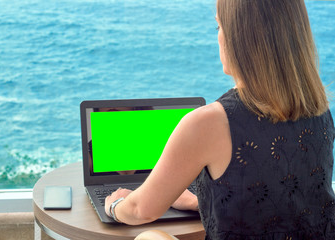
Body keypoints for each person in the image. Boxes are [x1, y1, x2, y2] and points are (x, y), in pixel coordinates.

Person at [105, 0, 335, 238]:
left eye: (219, 27)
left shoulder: (209, 123)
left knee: (148, 237)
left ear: (240, 38)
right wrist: (199, 203)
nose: (219, 37)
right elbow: (286, 199)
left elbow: (141, 210)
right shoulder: (320, 111)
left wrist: (115, 206)